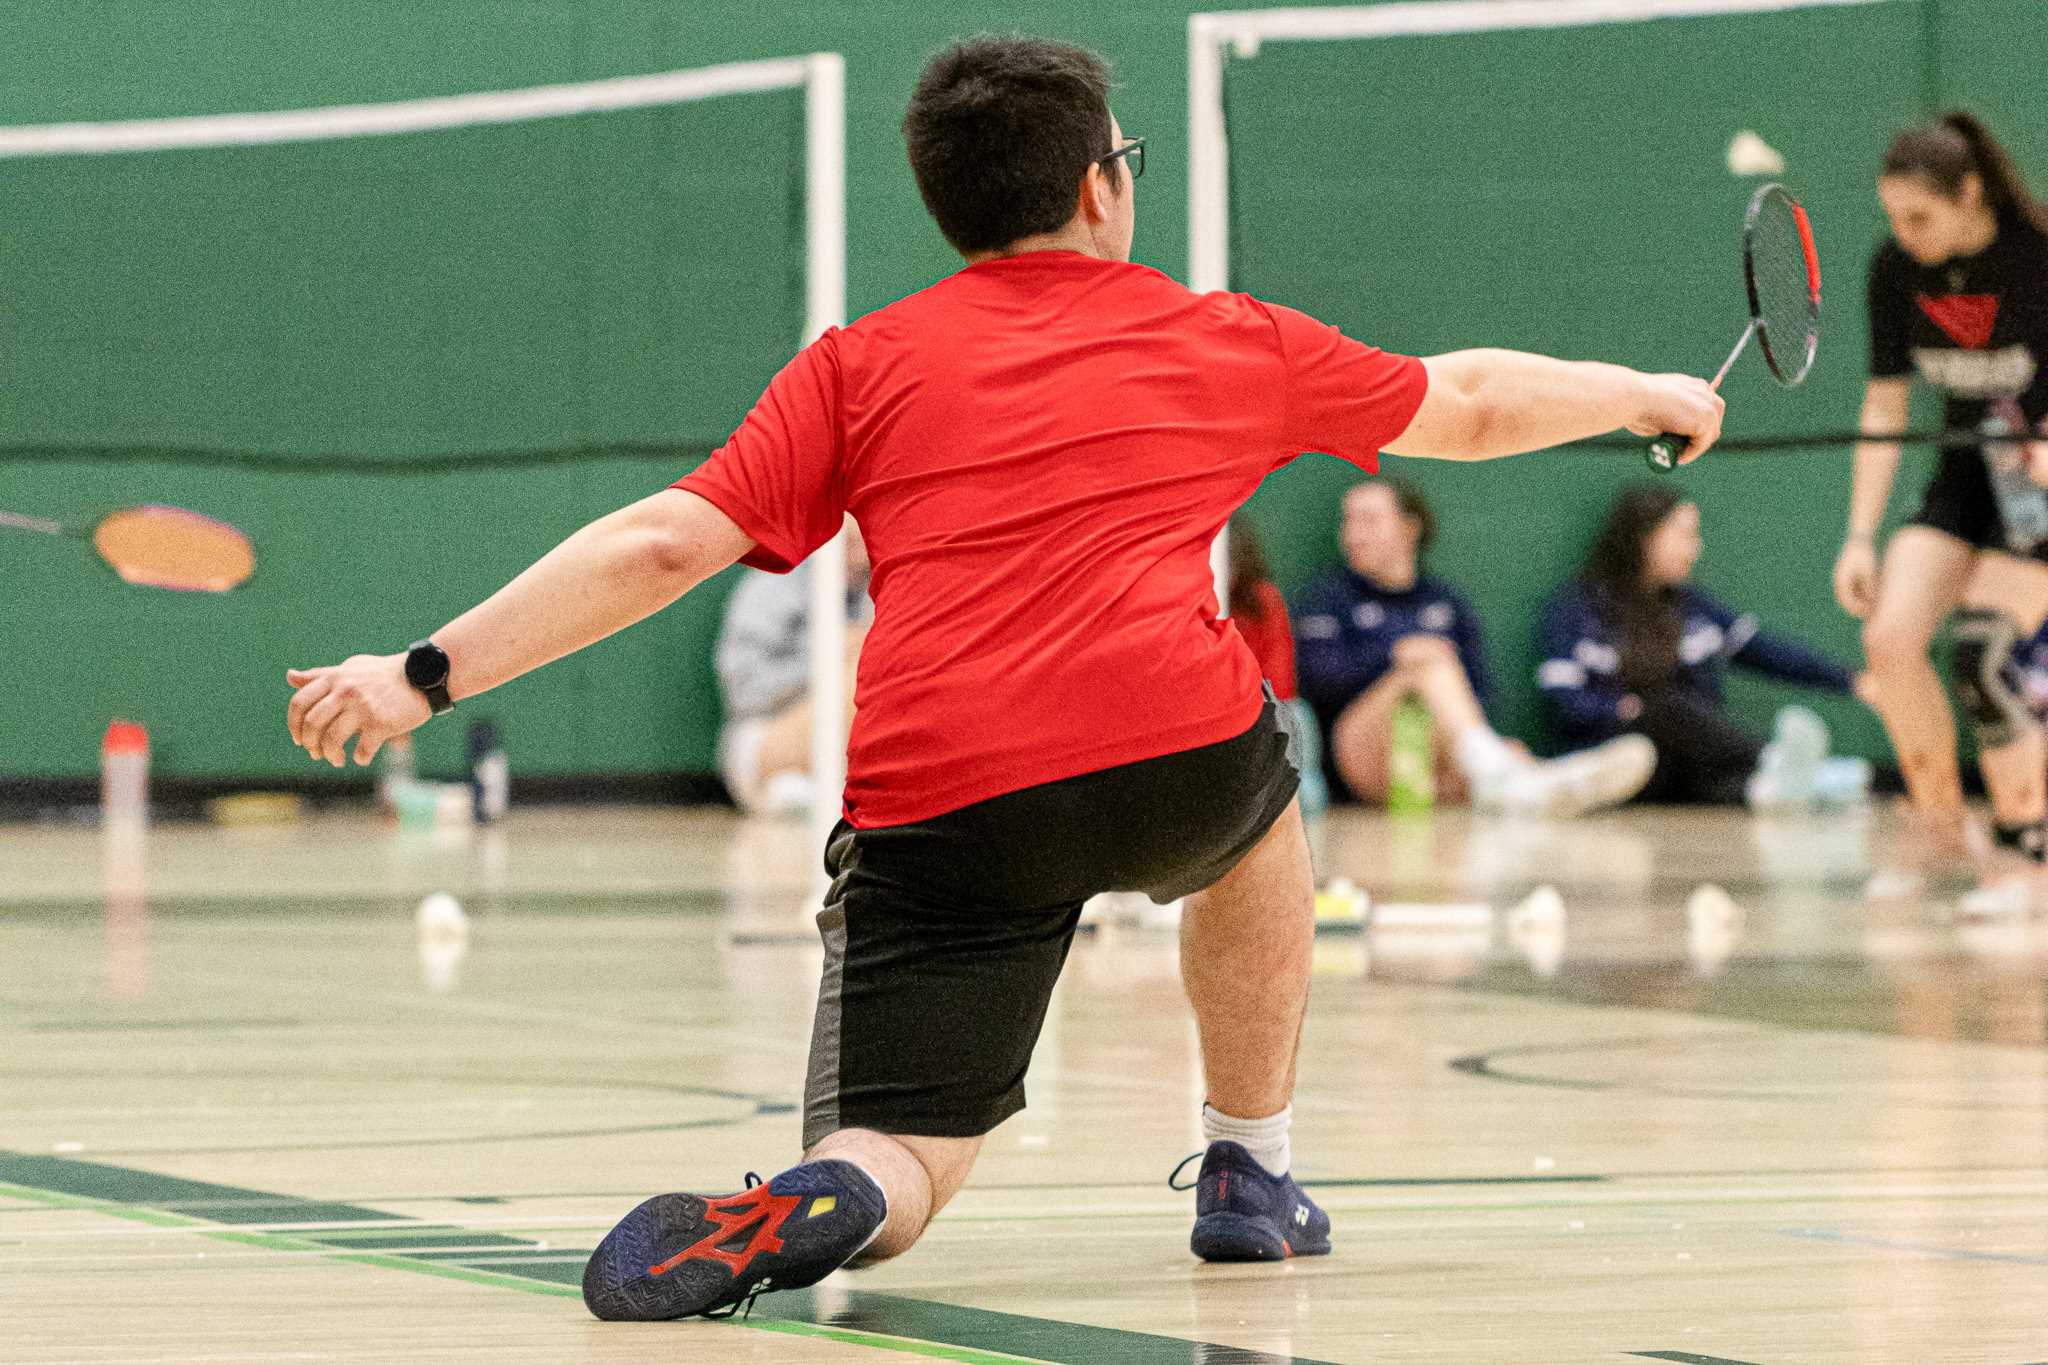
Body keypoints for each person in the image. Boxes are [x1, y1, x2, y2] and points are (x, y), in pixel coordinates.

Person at [283, 36, 1723, 1322]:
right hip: (1175, 758)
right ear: (1100, 186)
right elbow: (1463, 401)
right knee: (1256, 811)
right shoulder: (1220, 336)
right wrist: (1645, 395)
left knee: (902, 1157)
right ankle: (1250, 1169)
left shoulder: (857, 366)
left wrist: (422, 674)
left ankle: (831, 1194)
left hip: (946, 799)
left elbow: (661, 545)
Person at [1832, 112, 2048, 884]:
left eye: (1920, 217)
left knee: (1982, 654)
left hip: (2039, 490)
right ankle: (1944, 834)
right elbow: (1885, 405)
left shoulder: (2037, 259)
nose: (1904, 234)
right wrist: (1859, 536)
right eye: (1893, 216)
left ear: (1970, 193)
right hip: (1963, 476)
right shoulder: (1896, 270)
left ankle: (2025, 846)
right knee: (1890, 641)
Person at [1294, 478, 1654, 812]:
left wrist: (1483, 739)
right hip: (1359, 756)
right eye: (1348, 522)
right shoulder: (1328, 596)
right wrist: (1392, 658)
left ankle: (1535, 780)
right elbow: (1318, 680)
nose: (1353, 535)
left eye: (1369, 520)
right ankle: (1504, 771)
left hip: (1434, 761)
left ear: (1409, 528)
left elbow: (1480, 689)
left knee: (1493, 767)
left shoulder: (1446, 601)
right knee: (1430, 665)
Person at [1540, 485, 1871, 806]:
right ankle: (1781, 761)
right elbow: (1564, 697)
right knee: (1666, 710)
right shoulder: (1578, 608)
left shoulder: (1694, 607)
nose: (1694, 548)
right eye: (1684, 535)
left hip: (1693, 762)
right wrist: (1618, 710)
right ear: (1643, 537)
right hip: (1618, 750)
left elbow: (1765, 652)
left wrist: (1851, 680)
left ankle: (1778, 791)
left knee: (1713, 773)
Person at [715, 527, 871, 815]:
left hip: (839, 757)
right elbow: (743, 689)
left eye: (864, 543)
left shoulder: (875, 590)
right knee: (862, 667)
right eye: (848, 542)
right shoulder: (774, 585)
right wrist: (826, 662)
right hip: (761, 735)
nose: (858, 555)